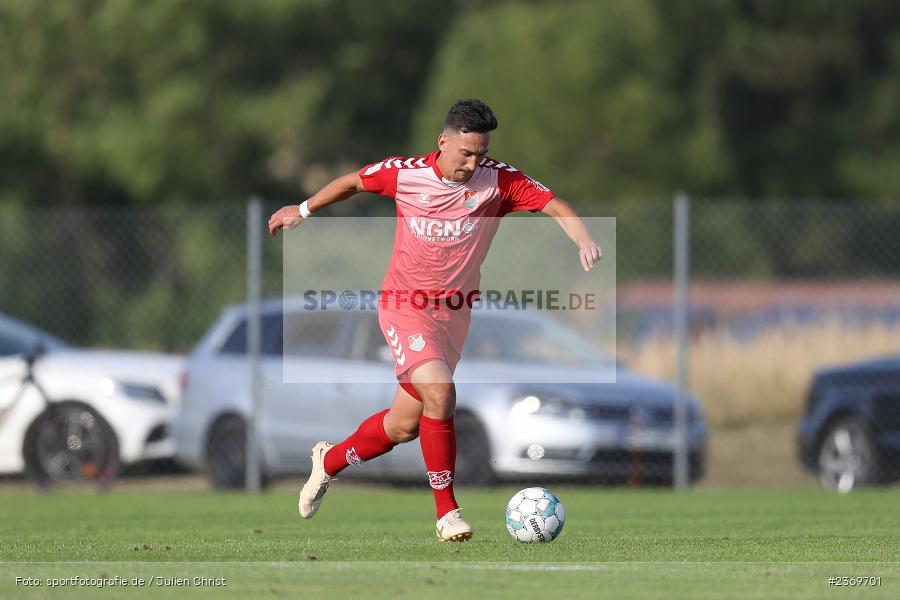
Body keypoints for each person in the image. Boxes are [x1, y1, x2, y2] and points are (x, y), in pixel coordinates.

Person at [268, 99, 601, 542]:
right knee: (441, 395)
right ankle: (447, 513)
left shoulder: (499, 181)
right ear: (443, 142)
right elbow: (353, 182)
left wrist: (583, 239)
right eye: (465, 153)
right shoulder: (406, 173)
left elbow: (555, 205)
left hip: (455, 316)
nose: (473, 162)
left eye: (480, 154)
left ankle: (328, 463)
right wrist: (303, 210)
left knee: (403, 425)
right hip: (405, 306)